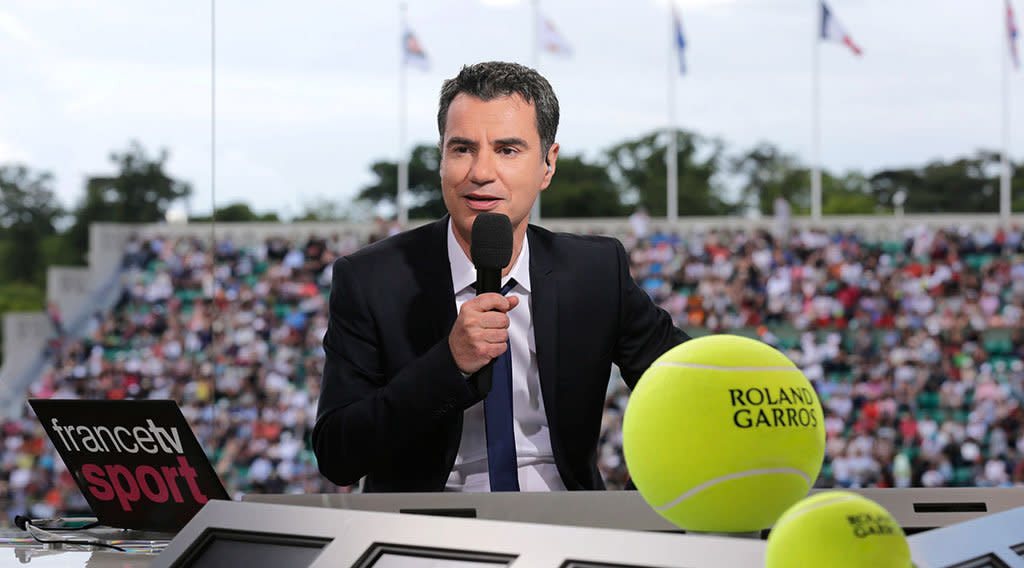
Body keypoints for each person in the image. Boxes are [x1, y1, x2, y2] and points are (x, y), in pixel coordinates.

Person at [313, 61, 688, 492]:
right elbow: (336, 454)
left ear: (548, 164)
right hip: (425, 534)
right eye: (462, 149)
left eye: (508, 150)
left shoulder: (596, 270)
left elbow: (688, 384)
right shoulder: (370, 279)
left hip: (568, 526)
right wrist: (448, 364)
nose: (481, 172)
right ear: (441, 158)